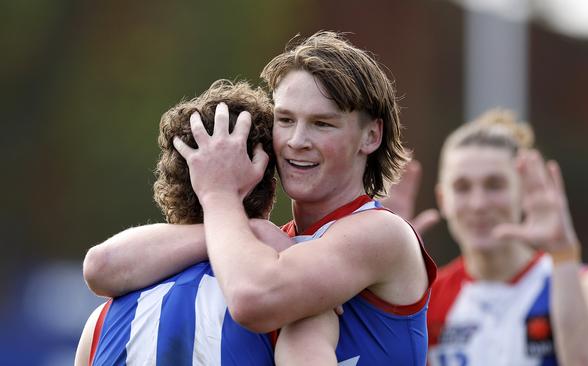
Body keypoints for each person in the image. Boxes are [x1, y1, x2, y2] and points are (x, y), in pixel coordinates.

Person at [82, 31, 437, 365]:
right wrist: (250, 227)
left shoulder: (380, 231)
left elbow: (254, 296)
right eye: (285, 119)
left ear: (371, 135)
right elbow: (100, 267)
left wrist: (221, 195)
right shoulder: (260, 249)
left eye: (322, 123)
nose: (298, 140)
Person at [75, 79, 339, 365]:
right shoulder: (287, 298)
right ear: (268, 184)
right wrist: (255, 230)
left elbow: (98, 265)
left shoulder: (101, 324)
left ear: (171, 186)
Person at [386, 109, 588, 365]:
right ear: (443, 200)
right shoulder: (425, 298)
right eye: (462, 187)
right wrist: (383, 265)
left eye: (494, 185)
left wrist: (563, 253)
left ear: (524, 191)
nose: (478, 204)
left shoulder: (587, 284)